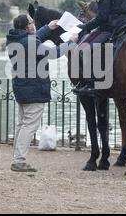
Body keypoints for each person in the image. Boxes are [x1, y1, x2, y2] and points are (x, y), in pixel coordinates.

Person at [6, 14, 77, 172]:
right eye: (32, 22)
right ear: (27, 27)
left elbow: (34, 38)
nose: (34, 24)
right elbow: (53, 53)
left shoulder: (15, 39)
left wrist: (49, 27)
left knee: (21, 124)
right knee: (29, 126)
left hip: (21, 87)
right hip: (34, 88)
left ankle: (16, 157)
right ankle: (18, 160)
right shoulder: (30, 42)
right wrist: (72, 41)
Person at [73, 0, 126, 95]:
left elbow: (102, 17)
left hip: (110, 27)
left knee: (81, 50)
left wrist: (86, 26)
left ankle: (92, 85)